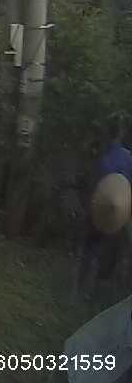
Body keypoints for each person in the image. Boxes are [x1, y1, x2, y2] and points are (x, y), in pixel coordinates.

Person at [77, 115, 132, 296]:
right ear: (121, 132)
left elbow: (92, 185)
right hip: (121, 212)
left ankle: (82, 288)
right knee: (112, 255)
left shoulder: (102, 157)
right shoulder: (127, 158)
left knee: (90, 250)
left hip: (98, 209)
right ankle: (98, 292)